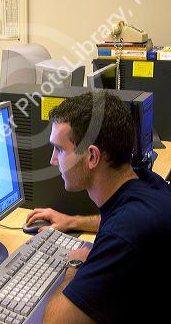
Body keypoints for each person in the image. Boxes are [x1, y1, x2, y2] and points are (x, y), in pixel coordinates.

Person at [26, 91, 171, 324]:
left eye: (60, 150)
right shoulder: (145, 182)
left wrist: (74, 269)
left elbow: (54, 322)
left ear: (92, 156)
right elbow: (115, 221)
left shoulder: (124, 234)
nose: (53, 161)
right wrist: (73, 222)